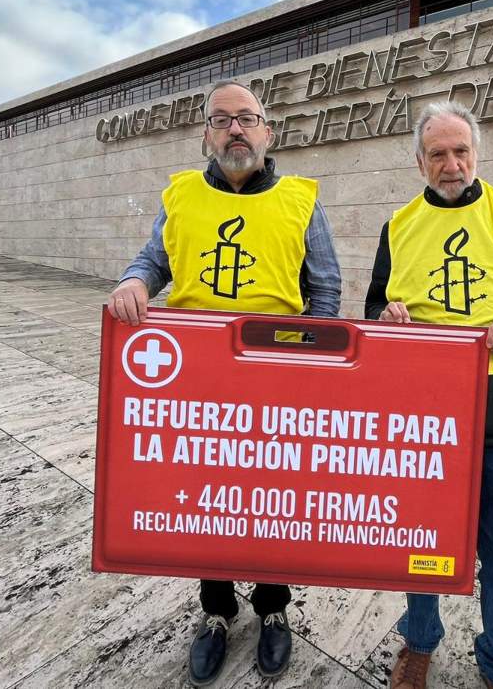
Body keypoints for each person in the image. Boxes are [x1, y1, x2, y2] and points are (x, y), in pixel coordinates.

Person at [107, 80, 341, 686]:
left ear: (268, 131)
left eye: (247, 119)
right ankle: (214, 611)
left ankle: (272, 609)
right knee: (206, 497)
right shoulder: (181, 196)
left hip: (274, 375)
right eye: (222, 120)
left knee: (264, 498)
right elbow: (153, 261)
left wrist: (310, 364)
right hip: (196, 378)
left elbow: (325, 292)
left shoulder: (301, 200)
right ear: (206, 136)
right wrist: (135, 282)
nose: (235, 130)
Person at [365, 101, 493, 689]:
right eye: (438, 154)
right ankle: (419, 643)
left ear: (475, 154)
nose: (451, 165)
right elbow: (374, 306)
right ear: (420, 163)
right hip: (422, 416)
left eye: (461, 152)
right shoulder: (398, 227)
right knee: (423, 542)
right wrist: (387, 317)